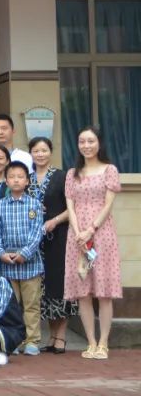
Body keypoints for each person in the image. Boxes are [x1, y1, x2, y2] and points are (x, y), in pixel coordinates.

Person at [65, 126, 122, 360]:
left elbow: (108, 204)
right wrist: (79, 232)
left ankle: (103, 343)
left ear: (99, 143)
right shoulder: (72, 173)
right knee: (83, 291)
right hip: (77, 237)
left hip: (101, 235)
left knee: (103, 291)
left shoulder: (110, 170)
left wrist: (91, 230)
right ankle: (90, 342)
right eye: (82, 141)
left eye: (91, 141)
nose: (86, 145)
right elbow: (70, 205)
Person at [27, 137, 74, 354]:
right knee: (44, 290)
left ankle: (61, 337)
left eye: (44, 150)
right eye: (36, 151)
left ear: (50, 152)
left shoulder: (62, 176)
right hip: (35, 242)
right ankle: (52, 336)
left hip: (59, 237)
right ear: (31, 153)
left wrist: (54, 220)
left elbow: (72, 207)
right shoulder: (26, 179)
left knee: (59, 286)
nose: (40, 154)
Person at [0, 161, 44, 356]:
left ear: (27, 181)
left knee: (31, 305)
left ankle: (32, 341)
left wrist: (25, 253)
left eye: (20, 177)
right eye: (12, 177)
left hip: (30, 264)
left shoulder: (34, 204)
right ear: (6, 181)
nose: (16, 180)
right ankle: (13, 340)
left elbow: (37, 233)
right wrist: (1, 253)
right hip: (7, 265)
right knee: (10, 306)